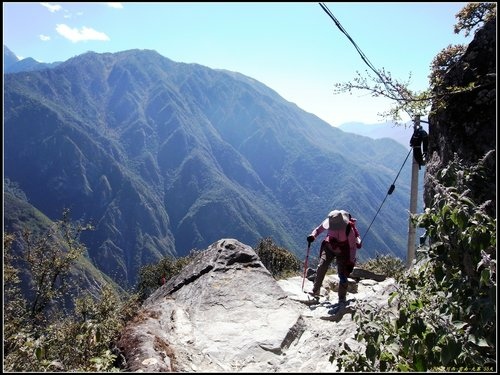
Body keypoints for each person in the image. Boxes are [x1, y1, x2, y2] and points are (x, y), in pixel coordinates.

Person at [306, 209, 362, 303]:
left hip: (343, 251)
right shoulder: (330, 221)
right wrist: (313, 236)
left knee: (343, 274)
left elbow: (352, 247)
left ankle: (341, 298)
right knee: (322, 265)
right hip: (329, 246)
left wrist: (351, 262)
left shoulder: (349, 229)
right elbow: (319, 229)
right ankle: (315, 290)